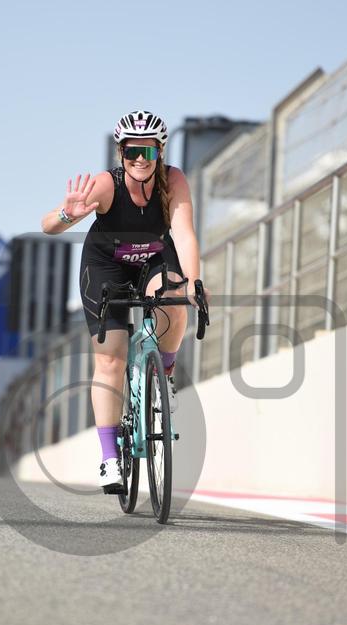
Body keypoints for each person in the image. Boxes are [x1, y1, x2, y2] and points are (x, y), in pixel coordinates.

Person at [42, 110, 208, 493]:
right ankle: (109, 458)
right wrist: (68, 213)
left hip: (153, 258)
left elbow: (184, 234)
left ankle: (165, 373)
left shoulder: (173, 180)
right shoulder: (106, 184)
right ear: (121, 152)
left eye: (148, 152)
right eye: (132, 151)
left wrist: (195, 282)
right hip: (106, 265)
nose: (140, 159)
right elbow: (47, 226)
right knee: (110, 360)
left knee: (174, 295)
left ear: (160, 152)